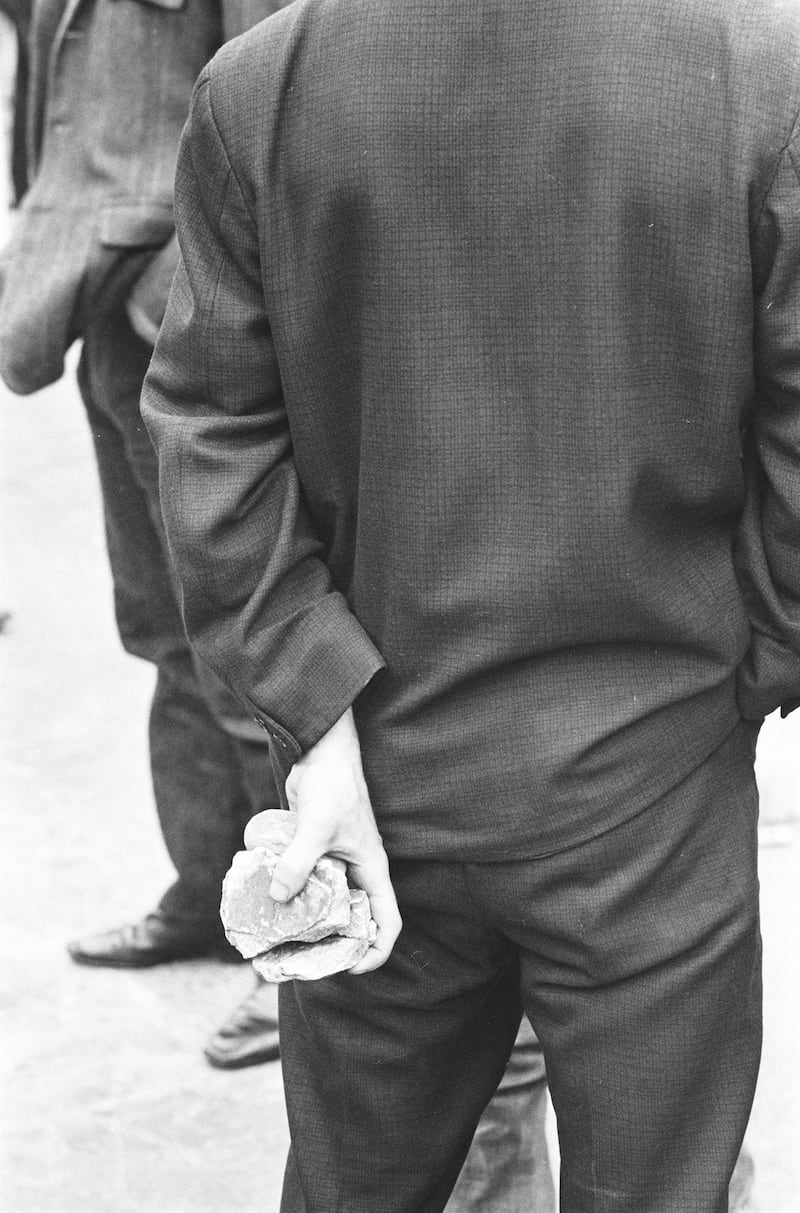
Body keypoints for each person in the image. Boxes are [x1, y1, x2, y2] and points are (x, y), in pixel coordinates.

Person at [141, 0, 800, 1207]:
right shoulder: (759, 71)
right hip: (648, 770)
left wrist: (318, 722)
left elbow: (209, 432)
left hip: (377, 770)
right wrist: (739, 661)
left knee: (359, 1187)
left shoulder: (266, 82)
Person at [0, 0, 287, 1061]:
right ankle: (210, 892)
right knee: (161, 630)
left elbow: (270, 96)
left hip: (190, 318)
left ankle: (291, 948)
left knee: (244, 649)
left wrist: (184, 282)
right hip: (94, 310)